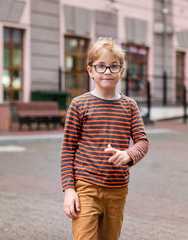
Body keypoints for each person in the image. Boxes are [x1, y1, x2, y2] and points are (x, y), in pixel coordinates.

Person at [60, 37, 149, 240]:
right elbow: (67, 149)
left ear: (121, 71)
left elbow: (143, 142)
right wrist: (69, 189)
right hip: (86, 187)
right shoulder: (79, 105)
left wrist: (128, 154)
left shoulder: (130, 106)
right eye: (100, 66)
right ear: (90, 70)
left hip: (117, 189)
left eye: (113, 66)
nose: (107, 71)